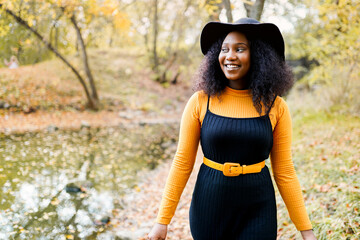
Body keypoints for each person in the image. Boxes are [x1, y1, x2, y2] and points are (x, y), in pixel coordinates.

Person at [148, 18, 317, 240]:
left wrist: (306, 231)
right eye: (224, 49)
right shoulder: (200, 101)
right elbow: (182, 163)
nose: (229, 56)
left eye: (240, 49)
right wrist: (163, 221)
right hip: (209, 208)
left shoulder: (276, 106)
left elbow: (284, 171)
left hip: (258, 210)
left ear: (257, 55)